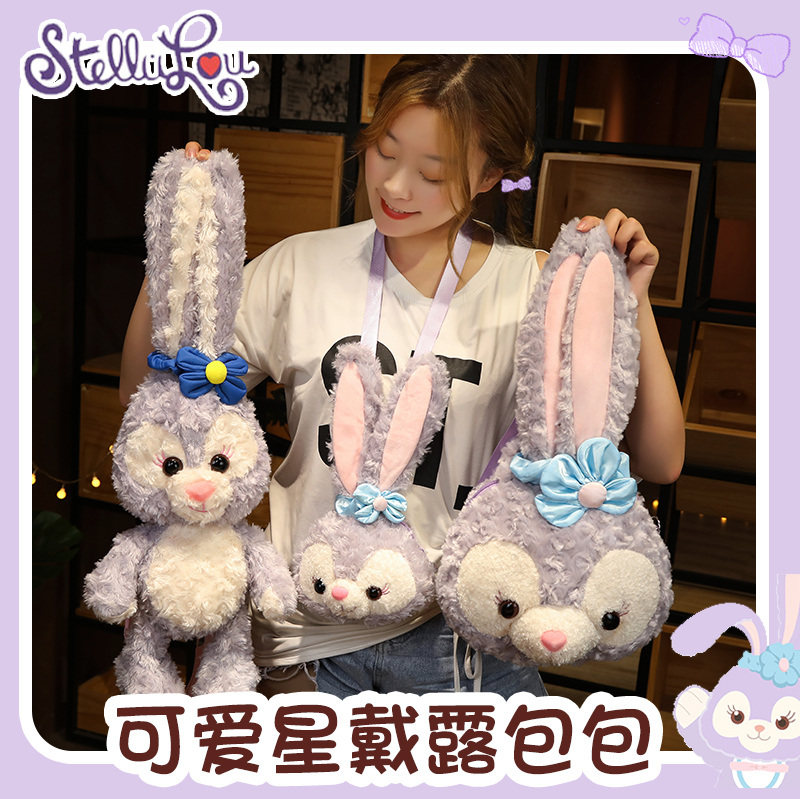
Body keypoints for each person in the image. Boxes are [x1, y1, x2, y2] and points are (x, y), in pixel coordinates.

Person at [119, 55, 685, 698]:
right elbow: (152, 405)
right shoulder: (301, 268)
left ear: (491, 174)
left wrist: (632, 300)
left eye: (432, 173)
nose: (394, 186)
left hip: (465, 651)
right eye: (385, 152)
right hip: (307, 643)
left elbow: (660, 459)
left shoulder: (534, 287)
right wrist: (174, 254)